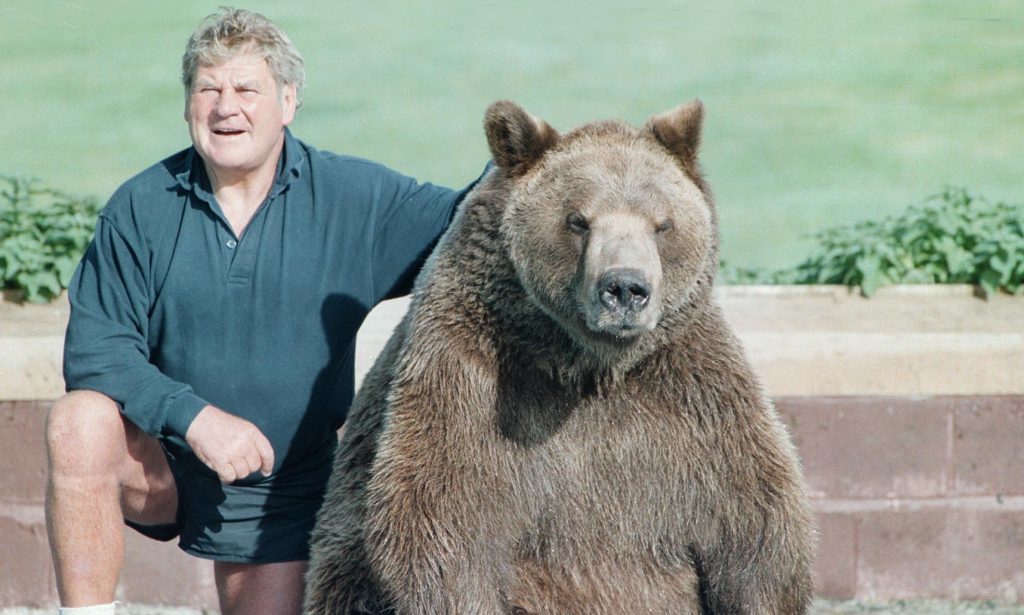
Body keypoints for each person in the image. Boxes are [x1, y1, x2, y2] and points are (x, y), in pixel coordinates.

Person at [45, 8, 484, 614]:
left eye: (247, 89)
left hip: (282, 486)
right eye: (209, 89)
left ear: (288, 101)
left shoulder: (356, 198)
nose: (227, 107)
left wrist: (545, 162)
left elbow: (474, 215)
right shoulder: (139, 207)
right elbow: (96, 352)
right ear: (187, 104)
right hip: (162, 465)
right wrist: (195, 419)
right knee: (78, 422)